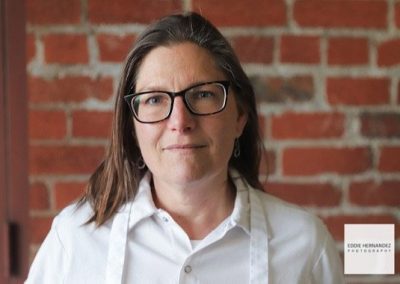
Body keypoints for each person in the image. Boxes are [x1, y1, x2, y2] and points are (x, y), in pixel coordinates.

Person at [26, 12, 344, 284]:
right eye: (154, 99)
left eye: (203, 95)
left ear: (240, 116)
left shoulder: (305, 245)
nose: (180, 120)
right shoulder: (75, 240)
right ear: (131, 126)